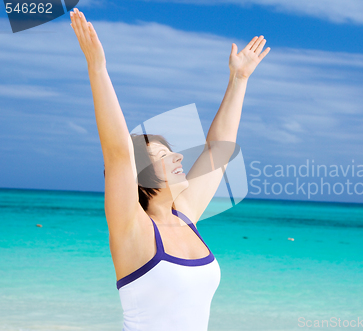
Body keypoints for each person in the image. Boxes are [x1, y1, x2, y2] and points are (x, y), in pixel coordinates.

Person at [69, 7, 270, 331]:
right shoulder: (131, 228)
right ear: (141, 175)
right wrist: (97, 67)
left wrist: (239, 79)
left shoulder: (186, 216)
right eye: (164, 156)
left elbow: (218, 149)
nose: (178, 159)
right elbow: (118, 153)